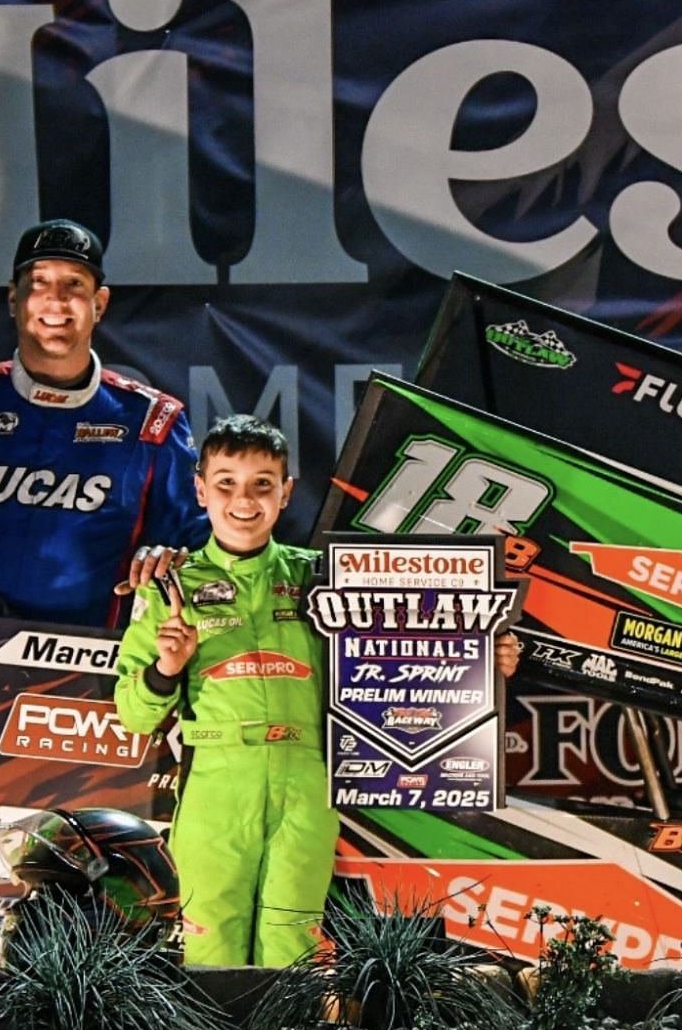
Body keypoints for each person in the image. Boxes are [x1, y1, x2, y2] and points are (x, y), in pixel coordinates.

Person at [115, 414, 521, 968]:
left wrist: (483, 659)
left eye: (263, 484)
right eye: (227, 482)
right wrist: (167, 667)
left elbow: (412, 652)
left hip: (310, 778)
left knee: (294, 937)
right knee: (211, 935)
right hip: (216, 782)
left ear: (285, 493)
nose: (244, 500)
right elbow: (133, 716)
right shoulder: (170, 586)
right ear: (201, 490)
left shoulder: (327, 577)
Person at [0, 218, 209, 647]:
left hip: (87, 672)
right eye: (38, 282)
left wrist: (175, 560)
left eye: (74, 285)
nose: (55, 300)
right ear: (12, 299)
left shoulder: (154, 421)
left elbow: (199, 548)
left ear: (100, 302)